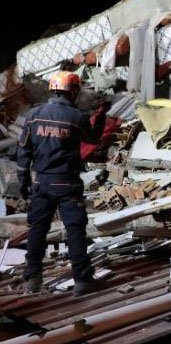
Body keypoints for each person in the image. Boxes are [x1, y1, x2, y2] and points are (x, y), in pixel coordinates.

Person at [17, 71, 108, 296]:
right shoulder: (76, 117)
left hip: (42, 183)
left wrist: (23, 180)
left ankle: (33, 280)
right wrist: (102, 115)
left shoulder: (34, 115)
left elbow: (23, 150)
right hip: (67, 183)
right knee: (75, 230)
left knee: (37, 229)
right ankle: (82, 281)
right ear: (72, 91)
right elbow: (92, 140)